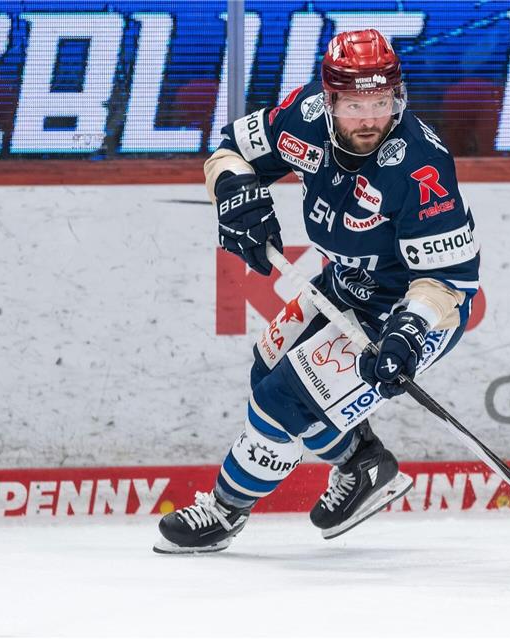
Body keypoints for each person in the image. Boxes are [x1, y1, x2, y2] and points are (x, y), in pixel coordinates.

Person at [154, 29, 480, 553]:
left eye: (381, 102)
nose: (370, 118)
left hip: (411, 312)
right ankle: (363, 464)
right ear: (329, 100)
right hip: (343, 286)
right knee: (267, 369)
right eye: (354, 104)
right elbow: (230, 151)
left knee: (283, 403)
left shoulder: (420, 167)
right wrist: (234, 191)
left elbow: (446, 283)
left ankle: (224, 511)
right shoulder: (304, 115)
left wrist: (407, 336)